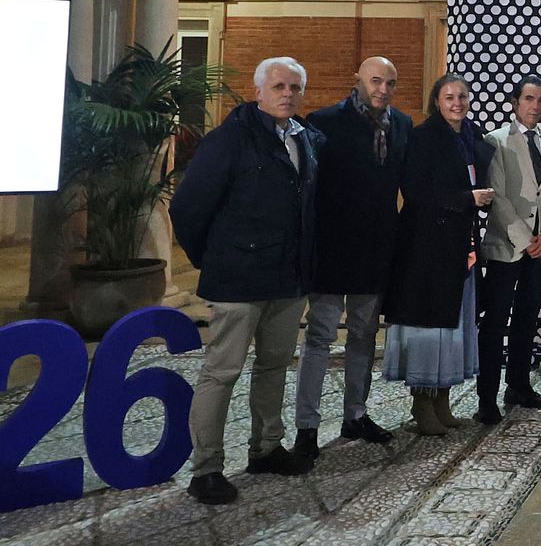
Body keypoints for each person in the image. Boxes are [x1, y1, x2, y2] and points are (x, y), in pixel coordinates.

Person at [172, 56, 322, 505]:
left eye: (294, 87)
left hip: (288, 278)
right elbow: (188, 207)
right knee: (222, 372)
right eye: (278, 86)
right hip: (238, 279)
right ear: (258, 91)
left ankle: (266, 448)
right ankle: (206, 469)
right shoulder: (229, 139)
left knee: (274, 366)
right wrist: (215, 259)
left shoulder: (305, 138)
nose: (287, 94)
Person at [293, 56, 411, 460]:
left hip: (375, 250)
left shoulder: (402, 125)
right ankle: (307, 426)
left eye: (390, 83)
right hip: (332, 248)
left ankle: (355, 415)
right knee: (320, 337)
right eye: (375, 81)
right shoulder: (324, 122)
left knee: (364, 335)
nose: (382, 89)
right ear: (357, 80)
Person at [383, 73, 492, 437]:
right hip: (427, 248)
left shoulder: (473, 137)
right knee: (429, 326)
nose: (456, 103)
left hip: (461, 245)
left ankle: (442, 398)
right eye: (449, 97)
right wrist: (466, 199)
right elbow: (415, 190)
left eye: (462, 96)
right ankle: (422, 401)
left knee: (455, 325)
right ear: (436, 102)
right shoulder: (423, 137)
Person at [479, 74, 541, 423]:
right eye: (529, 99)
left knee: (528, 317)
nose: (535, 105)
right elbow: (497, 197)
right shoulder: (496, 140)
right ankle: (486, 397)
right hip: (507, 246)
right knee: (495, 321)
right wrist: (525, 240)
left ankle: (518, 384)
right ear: (515, 103)